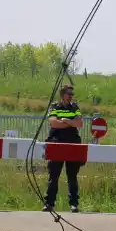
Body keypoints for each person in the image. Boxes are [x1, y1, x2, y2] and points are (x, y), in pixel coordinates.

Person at [43, 84, 84, 213]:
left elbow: (80, 123)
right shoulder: (55, 106)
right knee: (53, 175)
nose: (71, 96)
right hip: (57, 144)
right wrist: (70, 123)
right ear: (62, 95)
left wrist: (66, 120)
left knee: (72, 176)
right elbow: (54, 123)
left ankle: (74, 204)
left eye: (72, 93)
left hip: (72, 144)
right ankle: (49, 203)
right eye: (68, 93)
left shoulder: (75, 107)